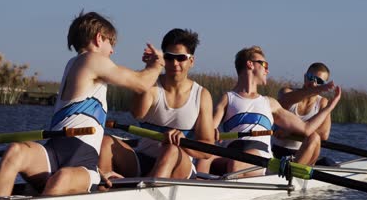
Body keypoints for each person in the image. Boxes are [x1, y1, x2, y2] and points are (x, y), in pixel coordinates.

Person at [0, 11, 164, 196]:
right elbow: (141, 83)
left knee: (61, 177)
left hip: (84, 165)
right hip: (54, 151)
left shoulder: (73, 63)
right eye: (110, 43)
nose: (112, 50)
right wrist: (156, 65)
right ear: (98, 39)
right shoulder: (92, 60)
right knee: (15, 151)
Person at [196, 46, 341, 177]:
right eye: (264, 65)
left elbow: (307, 129)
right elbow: (209, 129)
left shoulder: (270, 103)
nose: (268, 70)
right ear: (250, 64)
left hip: (258, 157)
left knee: (236, 164)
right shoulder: (227, 98)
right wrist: (210, 131)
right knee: (205, 155)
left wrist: (330, 107)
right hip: (231, 153)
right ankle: (196, 186)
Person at [98, 28, 214, 180]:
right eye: (169, 57)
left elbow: (208, 149)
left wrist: (183, 143)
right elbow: (137, 113)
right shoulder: (152, 86)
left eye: (181, 58)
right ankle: (103, 189)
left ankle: (145, 191)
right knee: (106, 142)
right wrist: (149, 70)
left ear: (191, 61)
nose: (174, 63)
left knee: (171, 149)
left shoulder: (202, 96)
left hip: (180, 164)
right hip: (143, 158)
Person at [272, 63, 335, 165]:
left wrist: (291, 132)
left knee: (315, 137)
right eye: (311, 78)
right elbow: (284, 100)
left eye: (318, 81)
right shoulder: (286, 92)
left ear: (324, 85)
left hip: (304, 153)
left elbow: (323, 134)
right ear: (305, 77)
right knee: (313, 135)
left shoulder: (322, 102)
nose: (313, 84)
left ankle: (295, 172)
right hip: (277, 150)